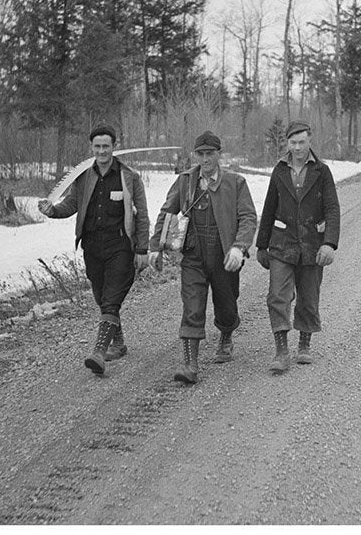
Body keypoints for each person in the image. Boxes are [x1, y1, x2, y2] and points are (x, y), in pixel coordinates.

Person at [37, 124, 149, 376]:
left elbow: (141, 215)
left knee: (111, 298)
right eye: (97, 146)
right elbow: (71, 204)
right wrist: (52, 211)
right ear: (92, 148)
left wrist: (142, 248)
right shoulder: (84, 176)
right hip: (92, 247)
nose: (101, 151)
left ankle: (99, 352)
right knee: (101, 297)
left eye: (106, 146)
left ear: (114, 147)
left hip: (120, 246)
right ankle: (118, 343)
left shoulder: (129, 177)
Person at [149, 130, 258, 384]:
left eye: (210, 154)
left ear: (219, 154)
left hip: (224, 255)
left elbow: (248, 218)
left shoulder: (235, 183)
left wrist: (238, 247)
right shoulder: (185, 181)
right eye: (201, 154)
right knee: (192, 306)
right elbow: (167, 213)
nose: (206, 159)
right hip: (193, 255)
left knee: (226, 305)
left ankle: (226, 334)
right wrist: (156, 246)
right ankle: (190, 365)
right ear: (194, 155)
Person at [255, 120, 340, 373]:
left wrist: (329, 244)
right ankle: (281, 351)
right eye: (293, 143)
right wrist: (261, 245)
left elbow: (332, 209)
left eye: (302, 142)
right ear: (287, 144)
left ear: (310, 141)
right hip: (282, 243)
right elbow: (269, 207)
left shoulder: (322, 171)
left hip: (313, 244)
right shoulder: (279, 170)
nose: (298, 147)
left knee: (309, 296)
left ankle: (304, 345)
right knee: (277, 296)